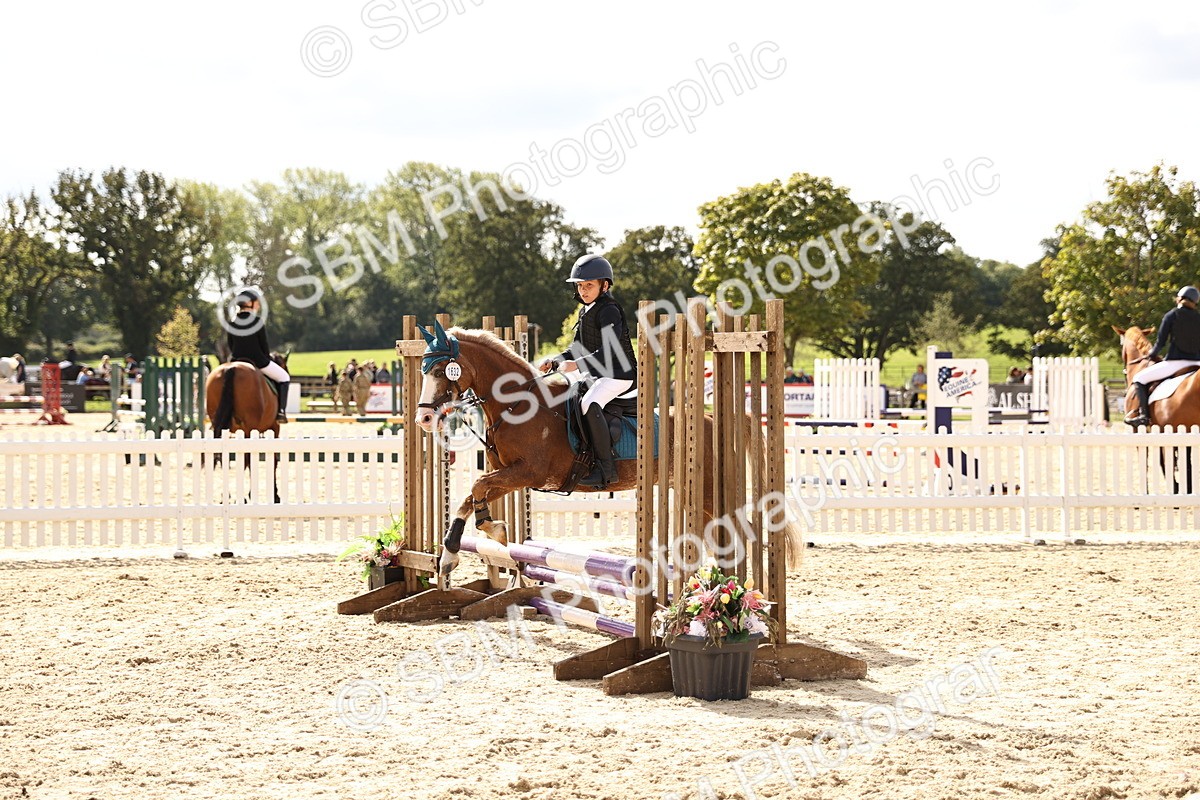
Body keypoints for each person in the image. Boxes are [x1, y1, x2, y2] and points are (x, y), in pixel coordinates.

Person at [537, 254, 637, 488]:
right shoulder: (585, 311)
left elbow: (610, 351)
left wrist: (579, 364)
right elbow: (577, 346)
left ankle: (606, 468)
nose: (583, 290)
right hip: (600, 374)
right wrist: (556, 360)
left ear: (605, 285)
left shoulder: (610, 310)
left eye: (588, 285)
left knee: (588, 403)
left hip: (621, 375)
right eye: (580, 286)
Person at [1126, 285, 1200, 426]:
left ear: (1179, 298)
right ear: (1194, 302)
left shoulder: (1172, 315)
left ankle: (1143, 416)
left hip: (1176, 362)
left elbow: (1160, 342)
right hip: (1197, 364)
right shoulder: (1198, 318)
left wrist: (1151, 355)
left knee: (1139, 378)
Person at [226, 287, 290, 421]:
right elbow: (264, 347)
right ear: (250, 303)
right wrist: (267, 358)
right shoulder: (257, 321)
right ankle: (281, 412)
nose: (259, 305)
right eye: (257, 302)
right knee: (284, 377)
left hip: (236, 361)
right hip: (258, 361)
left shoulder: (231, 323)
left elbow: (231, 346)